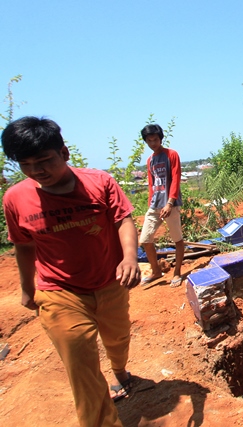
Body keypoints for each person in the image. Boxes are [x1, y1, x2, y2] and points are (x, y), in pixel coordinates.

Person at [1, 116, 141, 427]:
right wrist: (27, 288)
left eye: (44, 160)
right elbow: (23, 246)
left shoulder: (100, 183)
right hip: (59, 292)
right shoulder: (15, 199)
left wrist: (130, 258)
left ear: (64, 153)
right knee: (81, 366)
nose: (37, 170)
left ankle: (120, 370)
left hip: (110, 282)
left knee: (117, 338)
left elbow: (123, 220)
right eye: (26, 164)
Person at [139, 124, 185, 287]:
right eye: (149, 140)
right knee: (145, 239)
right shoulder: (150, 160)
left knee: (177, 239)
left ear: (161, 139)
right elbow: (151, 184)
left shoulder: (171, 155)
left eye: (155, 139)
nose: (153, 143)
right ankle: (156, 271)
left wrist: (170, 202)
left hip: (170, 204)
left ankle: (177, 272)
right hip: (155, 205)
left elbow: (176, 178)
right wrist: (151, 203)